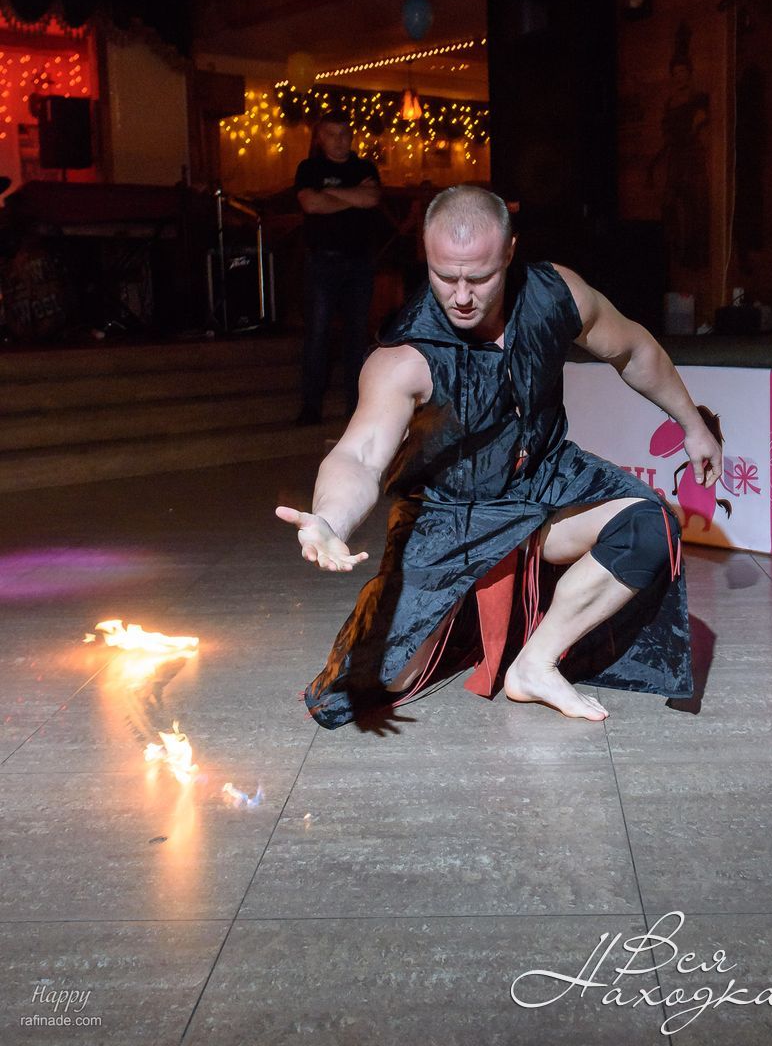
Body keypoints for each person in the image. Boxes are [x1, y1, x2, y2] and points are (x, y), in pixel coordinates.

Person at [276, 185, 722, 730]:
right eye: (445, 277)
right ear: (424, 253)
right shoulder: (405, 358)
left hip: (546, 481)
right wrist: (330, 518)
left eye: (480, 278)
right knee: (380, 681)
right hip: (450, 516)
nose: (462, 296)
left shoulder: (557, 294)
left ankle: (535, 665)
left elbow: (634, 350)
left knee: (651, 524)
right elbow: (360, 456)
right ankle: (453, 611)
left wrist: (693, 424)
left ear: (510, 252)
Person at [294, 111, 381, 425]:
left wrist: (329, 194)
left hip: (360, 262)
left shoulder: (365, 167)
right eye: (331, 134)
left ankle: (356, 406)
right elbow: (310, 204)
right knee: (317, 333)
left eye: (344, 134)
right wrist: (353, 195)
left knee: (357, 336)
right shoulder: (309, 168)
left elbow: (371, 199)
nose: (339, 140)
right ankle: (311, 406)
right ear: (320, 137)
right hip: (323, 261)